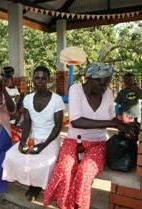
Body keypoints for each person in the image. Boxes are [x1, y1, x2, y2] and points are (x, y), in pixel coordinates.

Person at [43, 62, 137, 209]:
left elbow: (112, 118)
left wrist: (124, 125)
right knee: (64, 169)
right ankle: (65, 205)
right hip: (74, 141)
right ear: (90, 79)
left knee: (85, 172)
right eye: (102, 84)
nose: (105, 87)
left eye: (107, 84)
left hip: (98, 143)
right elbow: (77, 121)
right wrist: (113, 124)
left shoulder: (108, 93)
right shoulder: (76, 90)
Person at [2, 66, 65, 201]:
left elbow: (58, 127)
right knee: (11, 155)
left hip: (51, 139)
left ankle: (36, 186)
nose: (40, 81)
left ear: (48, 80)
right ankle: (30, 181)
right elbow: (28, 122)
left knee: (45, 161)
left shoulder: (56, 99)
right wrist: (23, 141)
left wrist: (42, 145)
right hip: (33, 136)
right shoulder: (28, 99)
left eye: (43, 78)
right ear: (33, 80)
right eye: (37, 77)